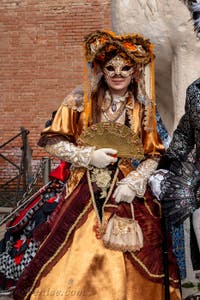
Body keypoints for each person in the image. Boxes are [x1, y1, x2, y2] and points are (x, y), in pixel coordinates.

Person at [9, 29, 181, 300]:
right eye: (111, 67)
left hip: (126, 189)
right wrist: (88, 156)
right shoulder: (80, 101)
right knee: (81, 248)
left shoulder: (142, 108)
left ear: (134, 71)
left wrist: (134, 181)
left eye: (125, 68)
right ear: (101, 67)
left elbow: (153, 154)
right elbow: (53, 141)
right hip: (84, 187)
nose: (118, 74)